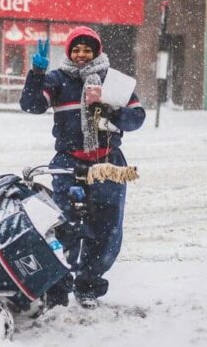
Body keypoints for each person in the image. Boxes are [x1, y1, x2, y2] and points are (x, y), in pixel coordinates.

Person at [20, 26, 145, 309]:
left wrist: (107, 107)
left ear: (97, 51)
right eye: (76, 49)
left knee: (106, 230)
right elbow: (31, 105)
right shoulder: (56, 80)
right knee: (65, 226)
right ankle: (57, 287)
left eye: (87, 49)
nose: (81, 54)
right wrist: (37, 74)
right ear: (68, 51)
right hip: (69, 162)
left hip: (108, 163)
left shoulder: (115, 82)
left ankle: (88, 286)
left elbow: (137, 118)